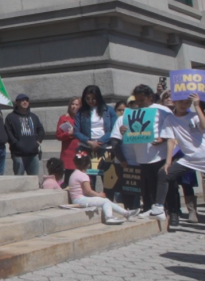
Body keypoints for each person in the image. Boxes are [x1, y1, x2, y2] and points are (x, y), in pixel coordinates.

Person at [110, 84, 172, 213]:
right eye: (137, 100)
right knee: (147, 188)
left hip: (160, 155)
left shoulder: (162, 110)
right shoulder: (131, 113)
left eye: (142, 100)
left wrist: (163, 139)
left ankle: (169, 211)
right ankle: (149, 209)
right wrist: (124, 131)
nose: (139, 103)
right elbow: (129, 132)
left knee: (163, 186)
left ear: (150, 97)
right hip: (141, 158)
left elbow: (173, 130)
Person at [147, 93, 205, 231]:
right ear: (174, 102)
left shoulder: (194, 115)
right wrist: (168, 162)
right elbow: (171, 140)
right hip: (189, 159)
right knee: (164, 174)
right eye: (180, 102)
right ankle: (159, 207)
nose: (183, 105)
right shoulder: (170, 119)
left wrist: (197, 106)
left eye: (187, 102)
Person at [68, 153, 139, 225]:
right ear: (88, 164)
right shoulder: (83, 176)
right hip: (80, 200)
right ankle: (109, 217)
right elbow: (88, 191)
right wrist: (99, 195)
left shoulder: (75, 173)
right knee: (105, 201)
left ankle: (126, 213)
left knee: (106, 200)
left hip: (77, 199)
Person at [5, 94, 45, 176]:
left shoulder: (33, 117)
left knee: (34, 179)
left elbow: (41, 130)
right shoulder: (11, 117)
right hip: (18, 154)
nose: (25, 102)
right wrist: (16, 143)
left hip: (33, 154)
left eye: (26, 100)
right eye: (22, 100)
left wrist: (38, 142)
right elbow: (8, 132)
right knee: (19, 179)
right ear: (17, 103)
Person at [56, 97, 81, 185]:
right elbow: (58, 135)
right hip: (68, 154)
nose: (74, 106)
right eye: (72, 104)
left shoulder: (83, 118)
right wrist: (69, 134)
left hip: (81, 152)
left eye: (76, 104)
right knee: (68, 181)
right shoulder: (64, 118)